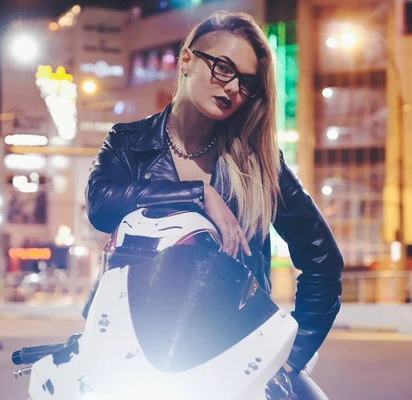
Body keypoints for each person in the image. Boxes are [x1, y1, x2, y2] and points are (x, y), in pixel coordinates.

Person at [85, 11, 343, 398]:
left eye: (247, 82)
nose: (233, 87)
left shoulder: (259, 162)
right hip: (131, 348)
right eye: (223, 68)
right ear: (186, 60)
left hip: (232, 356)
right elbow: (101, 205)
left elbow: (323, 259)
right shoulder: (129, 142)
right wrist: (198, 195)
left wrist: (290, 358)